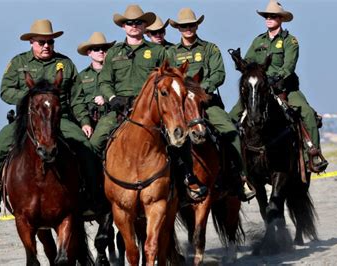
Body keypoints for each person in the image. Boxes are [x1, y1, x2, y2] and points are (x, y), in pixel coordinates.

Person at [0, 19, 98, 225]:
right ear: (31, 42)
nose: (46, 46)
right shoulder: (18, 63)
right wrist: (31, 98)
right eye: (41, 42)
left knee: (86, 148)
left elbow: (77, 98)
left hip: (61, 119)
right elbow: (5, 90)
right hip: (27, 119)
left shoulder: (66, 64)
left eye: (50, 42)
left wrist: (85, 122)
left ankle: (91, 198)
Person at [229, 0, 328, 172]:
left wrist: (275, 78)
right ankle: (233, 163)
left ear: (281, 19)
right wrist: (240, 62)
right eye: (267, 16)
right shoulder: (257, 41)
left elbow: (289, 66)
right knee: (231, 117)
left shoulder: (290, 41)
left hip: (285, 89)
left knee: (307, 113)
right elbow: (249, 66)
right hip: (260, 89)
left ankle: (312, 156)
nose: (269, 18)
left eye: (273, 16)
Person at [167, 8, 254, 202]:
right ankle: (172, 184)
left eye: (191, 25)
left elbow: (219, 74)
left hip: (207, 102)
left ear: (197, 26)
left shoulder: (210, 48)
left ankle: (241, 178)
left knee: (230, 131)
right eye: (183, 26)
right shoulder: (171, 52)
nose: (188, 28)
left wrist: (199, 90)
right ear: (178, 29)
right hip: (181, 106)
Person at [91, 4, 166, 158]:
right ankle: (96, 181)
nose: (134, 26)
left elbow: (168, 79)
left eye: (138, 22)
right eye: (130, 23)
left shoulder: (158, 51)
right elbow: (104, 82)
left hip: (150, 107)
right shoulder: (113, 52)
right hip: (120, 107)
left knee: (177, 140)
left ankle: (184, 178)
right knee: (95, 143)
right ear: (124, 26)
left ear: (145, 25)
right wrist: (112, 98)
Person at [76, 32, 115, 216]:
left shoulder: (115, 72)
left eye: (104, 49)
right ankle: (86, 192)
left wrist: (107, 100)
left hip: (113, 119)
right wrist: (84, 122)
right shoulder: (81, 77)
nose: (101, 52)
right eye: (96, 49)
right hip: (90, 122)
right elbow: (77, 101)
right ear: (89, 53)